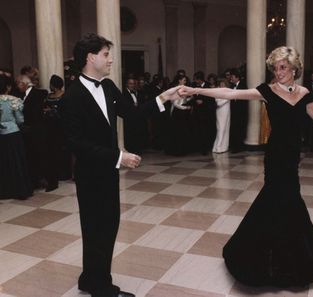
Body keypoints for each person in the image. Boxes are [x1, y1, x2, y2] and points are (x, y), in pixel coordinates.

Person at [179, 46, 313, 288]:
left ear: (294, 68)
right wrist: (195, 89)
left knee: (290, 197)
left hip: (293, 156)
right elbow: (231, 94)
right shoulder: (267, 91)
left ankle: (293, 251)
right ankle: (263, 255)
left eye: (283, 67)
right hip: (275, 155)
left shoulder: (305, 93)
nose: (278, 72)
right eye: (275, 67)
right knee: (277, 197)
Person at [60, 33, 182, 297]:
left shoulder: (108, 86)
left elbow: (134, 114)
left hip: (108, 173)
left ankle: (89, 278)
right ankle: (101, 287)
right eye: (106, 54)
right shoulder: (72, 97)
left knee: (108, 226)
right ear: (91, 57)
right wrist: (118, 157)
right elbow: (75, 143)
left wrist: (164, 98)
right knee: (96, 228)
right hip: (91, 174)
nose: (111, 59)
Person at [0, 74, 33, 200]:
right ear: (8, 87)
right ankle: (20, 189)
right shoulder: (14, 100)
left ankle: (4, 190)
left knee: (3, 163)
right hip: (13, 134)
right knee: (17, 162)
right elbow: (20, 120)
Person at [16, 74, 48, 189]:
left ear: (23, 84)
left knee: (39, 156)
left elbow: (37, 113)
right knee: (31, 156)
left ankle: (41, 179)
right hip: (27, 132)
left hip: (37, 131)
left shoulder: (39, 93)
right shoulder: (20, 95)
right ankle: (34, 180)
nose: (17, 86)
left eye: (18, 84)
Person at [165, 74, 193, 156]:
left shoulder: (183, 89)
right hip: (177, 113)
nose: (185, 81)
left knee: (181, 132)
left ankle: (181, 150)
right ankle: (176, 151)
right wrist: (186, 108)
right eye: (184, 80)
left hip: (181, 113)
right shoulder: (175, 89)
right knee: (177, 132)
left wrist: (190, 98)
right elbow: (175, 104)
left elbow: (182, 101)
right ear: (179, 81)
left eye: (185, 80)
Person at [229, 68, 248, 153]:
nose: (231, 78)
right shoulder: (231, 86)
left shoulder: (243, 85)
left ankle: (239, 147)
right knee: (234, 129)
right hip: (233, 111)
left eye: (232, 77)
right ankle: (235, 146)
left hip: (241, 111)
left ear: (237, 77)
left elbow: (245, 99)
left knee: (240, 129)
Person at [212, 78, 231, 153]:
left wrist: (221, 100)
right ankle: (217, 147)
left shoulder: (228, 91)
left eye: (223, 83)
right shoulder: (218, 90)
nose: (222, 84)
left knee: (225, 128)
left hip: (226, 112)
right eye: (221, 83)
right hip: (219, 112)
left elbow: (221, 102)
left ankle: (223, 147)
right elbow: (217, 101)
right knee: (220, 128)